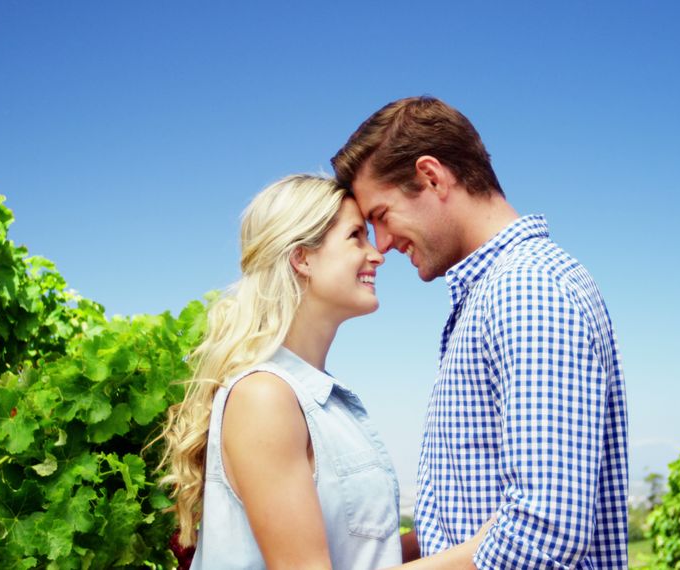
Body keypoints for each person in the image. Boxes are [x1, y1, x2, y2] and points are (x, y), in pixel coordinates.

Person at [330, 96, 629, 569]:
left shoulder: (528, 289)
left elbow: (541, 534)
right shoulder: (494, 293)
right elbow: (466, 523)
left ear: (431, 177)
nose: (382, 245)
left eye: (381, 216)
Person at [158, 174, 488, 570]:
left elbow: (354, 558)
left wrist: (457, 534)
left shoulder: (318, 399)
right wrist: (484, 549)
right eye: (356, 237)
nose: (377, 253)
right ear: (303, 258)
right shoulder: (264, 398)